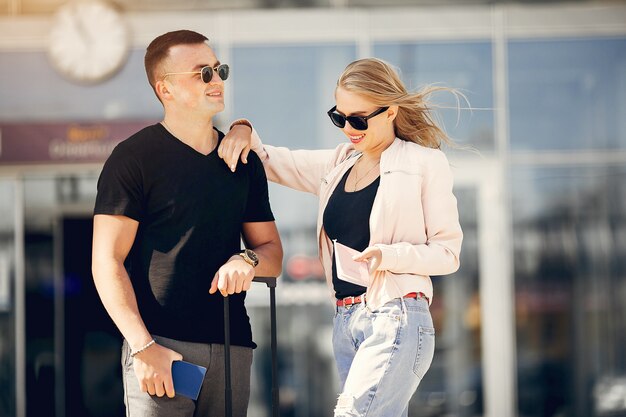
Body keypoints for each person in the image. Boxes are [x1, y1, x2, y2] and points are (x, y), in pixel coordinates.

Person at [219, 57, 463, 416]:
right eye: (339, 117)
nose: (348, 128)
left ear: (391, 111)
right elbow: (267, 159)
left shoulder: (423, 163)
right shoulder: (340, 162)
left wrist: (389, 255)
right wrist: (242, 127)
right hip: (346, 323)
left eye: (359, 119)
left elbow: (448, 252)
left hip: (395, 315)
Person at [91, 30, 283, 417]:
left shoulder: (242, 162)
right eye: (203, 73)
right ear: (166, 89)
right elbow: (106, 262)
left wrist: (245, 261)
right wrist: (144, 347)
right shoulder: (132, 159)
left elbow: (272, 254)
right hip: (159, 347)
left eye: (219, 70)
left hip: (232, 348)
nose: (217, 81)